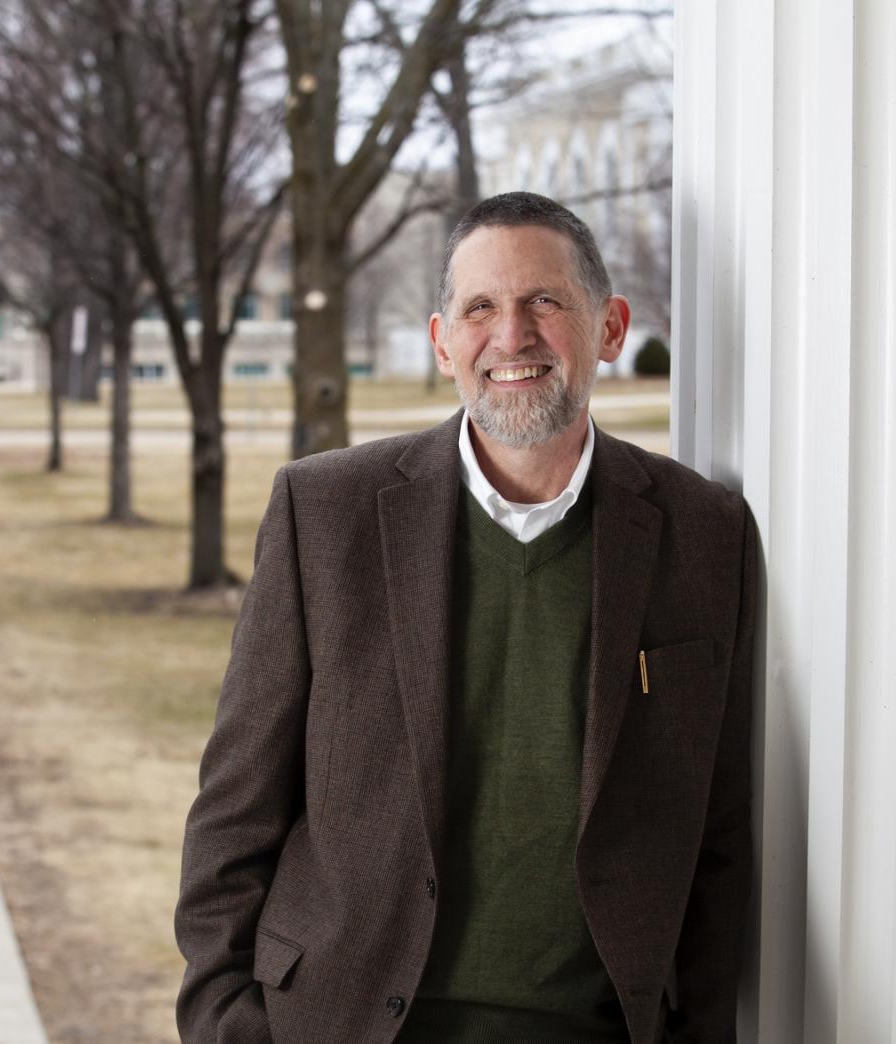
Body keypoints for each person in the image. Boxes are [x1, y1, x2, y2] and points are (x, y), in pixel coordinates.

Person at [175, 192, 757, 1044]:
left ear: (610, 326)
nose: (512, 336)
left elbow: (720, 833)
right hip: (339, 1023)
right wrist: (224, 1020)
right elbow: (236, 807)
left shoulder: (704, 534)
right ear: (446, 340)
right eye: (480, 307)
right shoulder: (324, 512)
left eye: (545, 302)